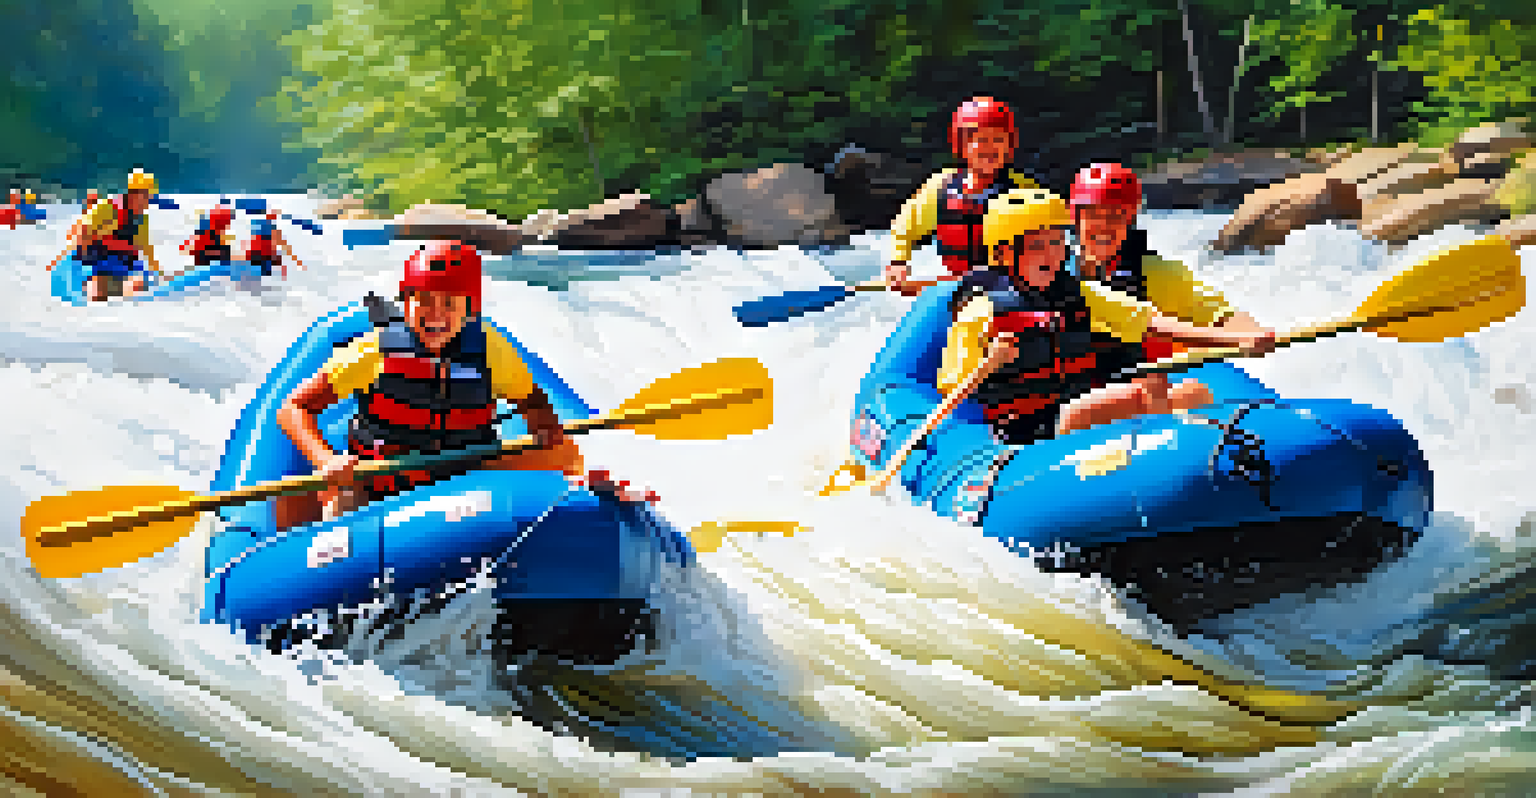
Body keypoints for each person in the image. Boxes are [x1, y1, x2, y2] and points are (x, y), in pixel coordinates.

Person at [275, 241, 642, 531]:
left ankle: (585, 501)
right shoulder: (374, 351)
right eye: (424, 302)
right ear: (406, 302)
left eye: (449, 304)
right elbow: (293, 409)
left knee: (562, 451)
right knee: (308, 497)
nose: (436, 315)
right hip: (383, 477)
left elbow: (532, 402)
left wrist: (543, 426)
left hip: (466, 471)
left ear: (470, 309)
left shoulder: (491, 351)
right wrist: (327, 460)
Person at [939, 189, 1274, 446]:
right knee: (1126, 398)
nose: (1053, 255)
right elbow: (951, 382)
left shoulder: (1077, 293)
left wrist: (1236, 339)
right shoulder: (982, 309)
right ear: (1004, 252)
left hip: (1080, 401)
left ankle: (1190, 460)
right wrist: (990, 360)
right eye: (1039, 246)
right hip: (1028, 427)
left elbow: (1150, 322)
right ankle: (1163, 456)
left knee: (1191, 392)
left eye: (1058, 243)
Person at [1065, 162, 1277, 431]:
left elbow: (1219, 314)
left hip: (1133, 391)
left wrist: (1252, 334)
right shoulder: (1053, 272)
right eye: (1094, 215)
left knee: (1190, 391)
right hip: (1073, 395)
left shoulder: (1152, 272)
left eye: (1116, 216)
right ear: (1077, 218)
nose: (1104, 227)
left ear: (1130, 221)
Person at [883, 97, 1041, 295]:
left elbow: (1054, 236)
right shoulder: (940, 187)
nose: (990, 148)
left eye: (998, 140)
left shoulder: (1024, 190)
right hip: (957, 285)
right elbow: (904, 228)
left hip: (1012, 288)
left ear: (1009, 146)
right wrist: (898, 262)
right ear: (962, 146)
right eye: (981, 140)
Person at [50, 169, 163, 300]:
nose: (148, 202)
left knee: (138, 283)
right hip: (97, 262)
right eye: (146, 196)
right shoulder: (107, 207)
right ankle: (93, 291)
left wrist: (158, 273)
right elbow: (82, 230)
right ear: (133, 194)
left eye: (150, 197)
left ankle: (125, 300)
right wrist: (76, 259)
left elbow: (146, 249)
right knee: (98, 289)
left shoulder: (142, 220)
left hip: (124, 264)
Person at [243, 211, 303, 278]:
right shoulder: (271, 232)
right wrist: (296, 260)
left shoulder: (260, 230)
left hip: (257, 257)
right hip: (260, 257)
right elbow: (284, 245)